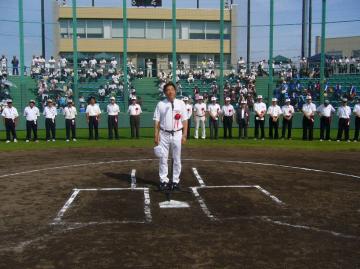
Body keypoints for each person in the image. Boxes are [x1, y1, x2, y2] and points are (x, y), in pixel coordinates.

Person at [153, 81, 188, 191]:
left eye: (172, 89)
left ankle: (175, 181)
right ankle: (164, 180)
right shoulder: (161, 104)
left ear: (175, 91)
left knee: (177, 158)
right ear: (164, 92)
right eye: (167, 90)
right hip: (164, 134)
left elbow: (185, 120)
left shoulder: (181, 103)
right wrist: (156, 134)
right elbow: (157, 121)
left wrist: (184, 134)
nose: (170, 92)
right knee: (163, 158)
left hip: (177, 133)